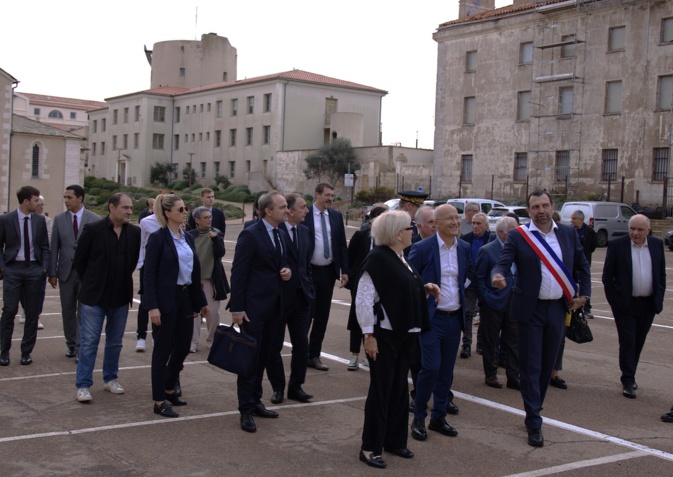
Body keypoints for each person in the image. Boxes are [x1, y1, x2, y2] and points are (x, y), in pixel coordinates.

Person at [491, 190, 590, 447]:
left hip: (559, 308)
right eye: (535, 207)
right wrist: (499, 275)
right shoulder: (518, 236)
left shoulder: (567, 233)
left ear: (553, 206)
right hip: (530, 310)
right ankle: (534, 420)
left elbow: (582, 265)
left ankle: (535, 406)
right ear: (529, 210)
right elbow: (504, 261)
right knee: (531, 367)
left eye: (545, 205)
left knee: (547, 367)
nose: (541, 210)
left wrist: (585, 295)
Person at [356, 210, 438, 469]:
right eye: (407, 227)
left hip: (404, 334)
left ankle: (394, 440)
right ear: (394, 233)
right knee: (381, 391)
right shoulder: (377, 259)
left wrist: (424, 288)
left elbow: (399, 290)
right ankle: (370, 447)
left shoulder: (400, 258)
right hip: (384, 336)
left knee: (400, 389)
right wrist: (368, 336)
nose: (412, 230)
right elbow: (363, 300)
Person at [408, 204, 473, 442]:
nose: (456, 222)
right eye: (449, 219)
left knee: (446, 371)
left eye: (457, 218)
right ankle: (418, 417)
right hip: (432, 320)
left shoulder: (464, 248)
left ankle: (438, 416)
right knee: (431, 367)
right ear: (436, 224)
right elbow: (410, 279)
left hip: (454, 319)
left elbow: (466, 278)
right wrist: (424, 290)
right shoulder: (422, 248)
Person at [228, 191, 292, 432]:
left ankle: (256, 401)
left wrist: (286, 271)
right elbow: (239, 272)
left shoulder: (280, 232)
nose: (287, 210)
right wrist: (237, 307)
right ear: (268, 211)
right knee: (249, 361)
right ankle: (245, 409)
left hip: (275, 307)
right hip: (253, 309)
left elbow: (281, 263)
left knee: (265, 357)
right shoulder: (250, 234)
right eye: (283, 206)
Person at [143, 194, 209, 418]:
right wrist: (152, 306)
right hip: (165, 300)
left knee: (182, 347)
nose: (185, 213)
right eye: (181, 209)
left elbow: (194, 272)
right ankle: (159, 400)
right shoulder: (157, 238)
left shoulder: (187, 237)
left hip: (185, 298)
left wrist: (200, 302)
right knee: (162, 351)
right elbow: (149, 275)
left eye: (185, 209)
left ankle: (170, 387)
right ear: (168, 213)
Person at [73, 193, 141, 402]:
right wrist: (93, 282)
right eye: (125, 208)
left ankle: (110, 378)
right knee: (89, 342)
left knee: (115, 342)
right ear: (111, 207)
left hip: (120, 296)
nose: (129, 211)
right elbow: (80, 261)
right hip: (94, 296)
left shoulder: (135, 232)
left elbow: (132, 261)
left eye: (130, 208)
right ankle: (83, 385)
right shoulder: (93, 230)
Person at [602, 214, 665, 399]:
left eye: (640, 230)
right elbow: (607, 277)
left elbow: (660, 275)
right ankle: (628, 380)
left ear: (648, 230)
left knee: (639, 341)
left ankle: (631, 373)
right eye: (632, 229)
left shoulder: (656, 245)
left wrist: (659, 296)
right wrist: (615, 301)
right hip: (625, 305)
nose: (635, 233)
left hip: (648, 304)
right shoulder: (617, 245)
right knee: (628, 341)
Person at [267, 193, 315, 403]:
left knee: (301, 345)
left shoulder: (305, 232)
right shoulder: (276, 232)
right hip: (279, 298)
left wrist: (309, 288)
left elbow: (306, 264)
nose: (307, 211)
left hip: (301, 297)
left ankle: (296, 386)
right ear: (290, 211)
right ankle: (278, 387)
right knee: (274, 345)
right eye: (303, 207)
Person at [48, 185, 101, 359]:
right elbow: (54, 246)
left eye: (69, 197)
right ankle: (71, 344)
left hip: (87, 274)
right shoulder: (59, 219)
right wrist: (52, 272)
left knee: (85, 311)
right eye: (64, 197)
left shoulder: (94, 219)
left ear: (80, 198)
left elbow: (98, 250)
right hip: (65, 273)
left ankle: (80, 347)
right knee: (67, 310)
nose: (66, 201)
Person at [0, 186, 50, 367]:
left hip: (34, 271)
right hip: (13, 269)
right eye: (36, 200)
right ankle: (3, 351)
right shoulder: (6, 219)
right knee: (9, 311)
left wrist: (43, 268)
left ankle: (26, 352)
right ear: (26, 201)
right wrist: (4, 268)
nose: (39, 203)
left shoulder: (39, 221)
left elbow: (45, 245)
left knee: (32, 313)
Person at [303, 183, 348, 371]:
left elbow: (341, 246)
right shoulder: (305, 215)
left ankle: (314, 355)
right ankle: (300, 353)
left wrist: (345, 270)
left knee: (322, 316)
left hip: (328, 273)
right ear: (317, 194)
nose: (330, 199)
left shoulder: (336, 217)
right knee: (306, 315)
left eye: (332, 195)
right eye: (327, 195)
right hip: (308, 272)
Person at [475, 217, 519, 390]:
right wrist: (487, 297)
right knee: (491, 340)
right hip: (493, 303)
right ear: (501, 233)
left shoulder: (518, 249)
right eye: (513, 232)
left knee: (514, 340)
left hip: (514, 301)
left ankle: (513, 376)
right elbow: (479, 278)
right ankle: (491, 374)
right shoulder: (487, 251)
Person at [345, 204, 388, 370]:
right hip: (360, 282)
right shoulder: (361, 235)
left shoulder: (387, 239)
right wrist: (350, 276)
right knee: (358, 316)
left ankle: (368, 354)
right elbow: (350, 257)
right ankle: (354, 355)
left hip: (381, 283)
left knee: (375, 318)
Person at [187, 206, 229, 353]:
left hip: (211, 279)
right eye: (205, 217)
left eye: (210, 217)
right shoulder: (189, 235)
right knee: (194, 313)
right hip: (193, 280)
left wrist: (216, 239)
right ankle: (193, 342)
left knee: (213, 312)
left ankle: (211, 339)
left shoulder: (216, 233)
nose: (209, 219)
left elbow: (220, 253)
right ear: (197, 220)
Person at [459, 212, 494, 358]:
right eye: (473, 223)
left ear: (486, 225)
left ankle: (481, 344)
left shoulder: (492, 239)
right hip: (471, 283)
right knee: (468, 313)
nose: (475, 226)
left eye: (479, 223)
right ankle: (466, 344)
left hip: (486, 282)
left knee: (486, 315)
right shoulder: (465, 240)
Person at [135, 204, 162, 352]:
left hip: (165, 268)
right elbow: (141, 244)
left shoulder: (171, 222)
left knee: (162, 302)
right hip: (148, 267)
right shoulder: (146, 222)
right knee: (146, 301)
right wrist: (141, 263)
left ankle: (156, 336)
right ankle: (141, 336)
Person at [570, 210, 597, 317]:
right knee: (572, 285)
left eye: (574, 218)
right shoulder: (569, 230)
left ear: (580, 219)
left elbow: (592, 246)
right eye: (571, 218)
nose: (571, 221)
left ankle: (587, 308)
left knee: (584, 285)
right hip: (571, 264)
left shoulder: (589, 231)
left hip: (583, 263)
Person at [397, 190, 427, 256]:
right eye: (418, 207)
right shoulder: (394, 225)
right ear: (409, 206)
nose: (420, 211)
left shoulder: (412, 225)